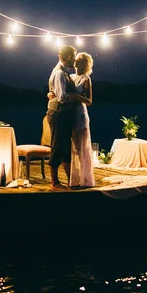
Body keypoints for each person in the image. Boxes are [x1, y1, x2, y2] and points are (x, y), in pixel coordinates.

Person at [47, 45, 78, 189]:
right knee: (57, 146)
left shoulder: (62, 71)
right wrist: (77, 97)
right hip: (58, 113)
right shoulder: (59, 73)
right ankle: (55, 182)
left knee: (64, 146)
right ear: (70, 57)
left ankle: (71, 181)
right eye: (75, 57)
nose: (75, 61)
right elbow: (62, 98)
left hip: (62, 114)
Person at [69, 52, 95, 188]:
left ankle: (86, 178)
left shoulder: (86, 79)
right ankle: (76, 176)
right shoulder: (71, 77)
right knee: (75, 146)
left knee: (82, 146)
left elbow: (89, 101)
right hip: (71, 114)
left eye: (78, 60)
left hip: (80, 113)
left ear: (83, 63)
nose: (75, 61)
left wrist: (77, 96)